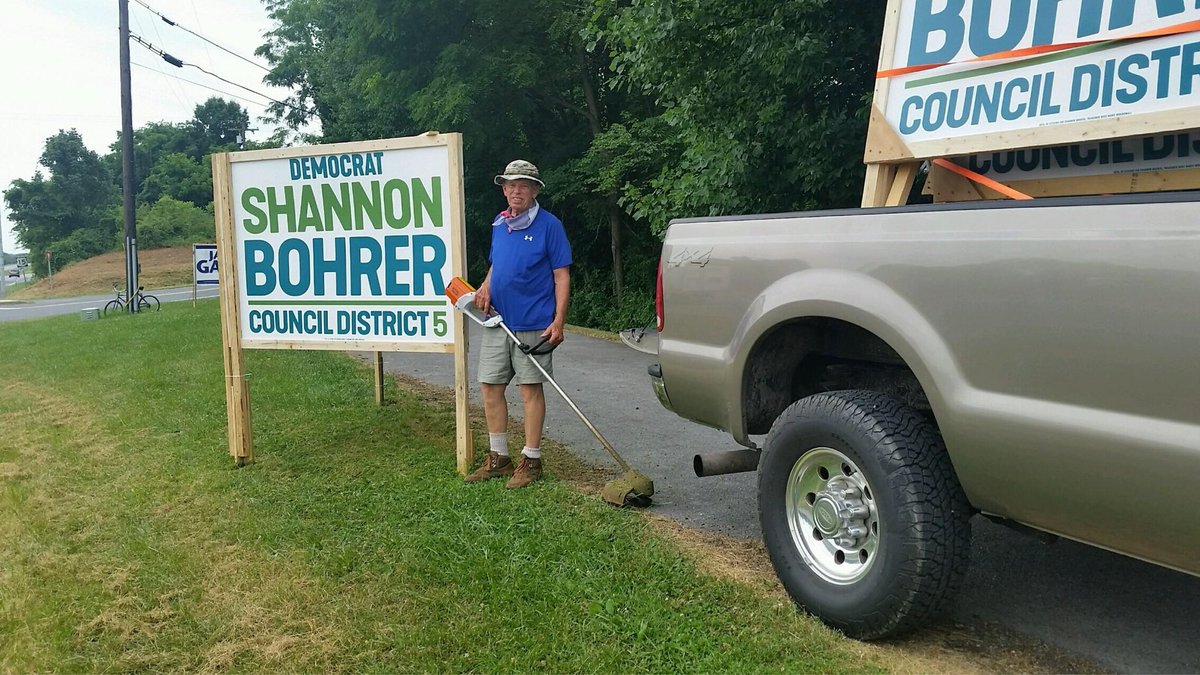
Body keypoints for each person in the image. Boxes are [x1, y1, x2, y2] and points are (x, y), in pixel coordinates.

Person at [465, 160, 572, 489]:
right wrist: (484, 285)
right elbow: (497, 264)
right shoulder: (501, 224)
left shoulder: (549, 226)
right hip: (498, 321)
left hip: (535, 325)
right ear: (504, 189)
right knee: (490, 387)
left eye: (523, 185)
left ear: (535, 190)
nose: (515, 191)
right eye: (510, 185)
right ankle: (499, 458)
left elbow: (561, 275)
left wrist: (559, 320)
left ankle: (531, 460)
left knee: (529, 391)